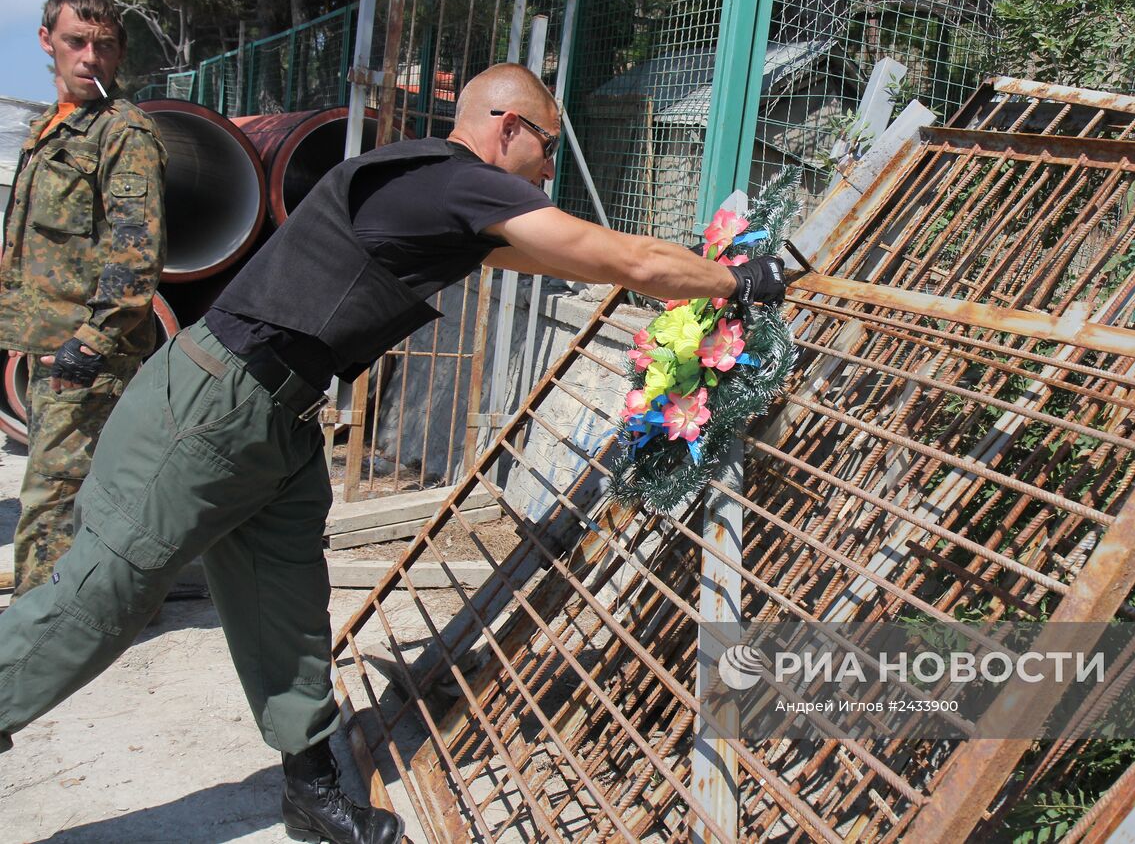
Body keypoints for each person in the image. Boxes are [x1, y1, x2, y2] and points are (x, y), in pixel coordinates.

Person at [0, 62, 785, 843]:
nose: (549, 168)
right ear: (507, 127)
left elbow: (571, 259)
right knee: (97, 603)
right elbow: (628, 260)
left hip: (276, 419)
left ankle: (310, 792)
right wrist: (737, 279)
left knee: (289, 611)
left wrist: (685, 275)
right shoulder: (458, 182)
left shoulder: (429, 189)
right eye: (546, 146)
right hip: (210, 409)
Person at [0, 0, 166, 596]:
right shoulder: (51, 128)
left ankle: (37, 631)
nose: (89, 57)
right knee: (66, 490)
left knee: (53, 495)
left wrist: (90, 343)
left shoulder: (123, 133)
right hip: (45, 344)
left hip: (85, 355)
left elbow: (137, 251)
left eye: (104, 45)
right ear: (48, 42)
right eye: (76, 41)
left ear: (120, 54)